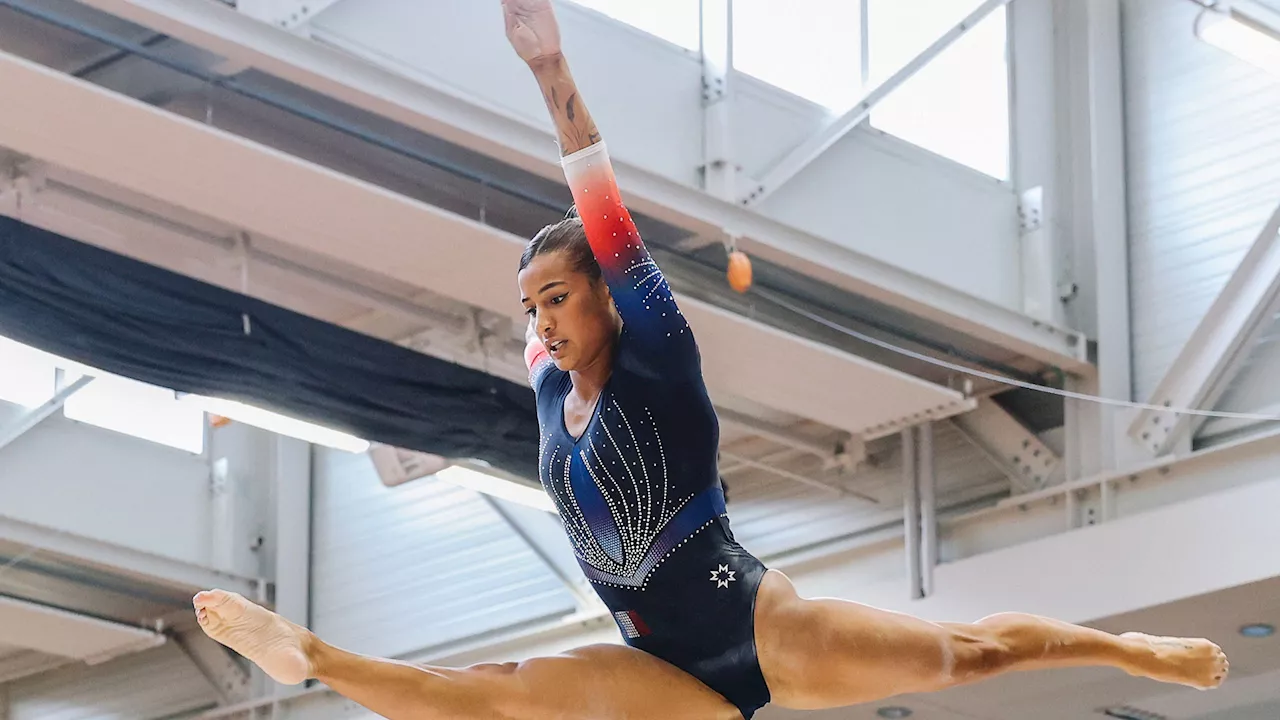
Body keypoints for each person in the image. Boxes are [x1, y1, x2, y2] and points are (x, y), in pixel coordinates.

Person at [190, 2, 1229, 718]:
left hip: (762, 631)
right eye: (528, 309)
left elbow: (599, 200)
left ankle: (1127, 650)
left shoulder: (659, 355)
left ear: (606, 290)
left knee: (971, 656)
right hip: (654, 666)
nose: (541, 325)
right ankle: (310, 657)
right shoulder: (551, 383)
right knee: (495, 693)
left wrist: (549, 70)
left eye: (557, 298)